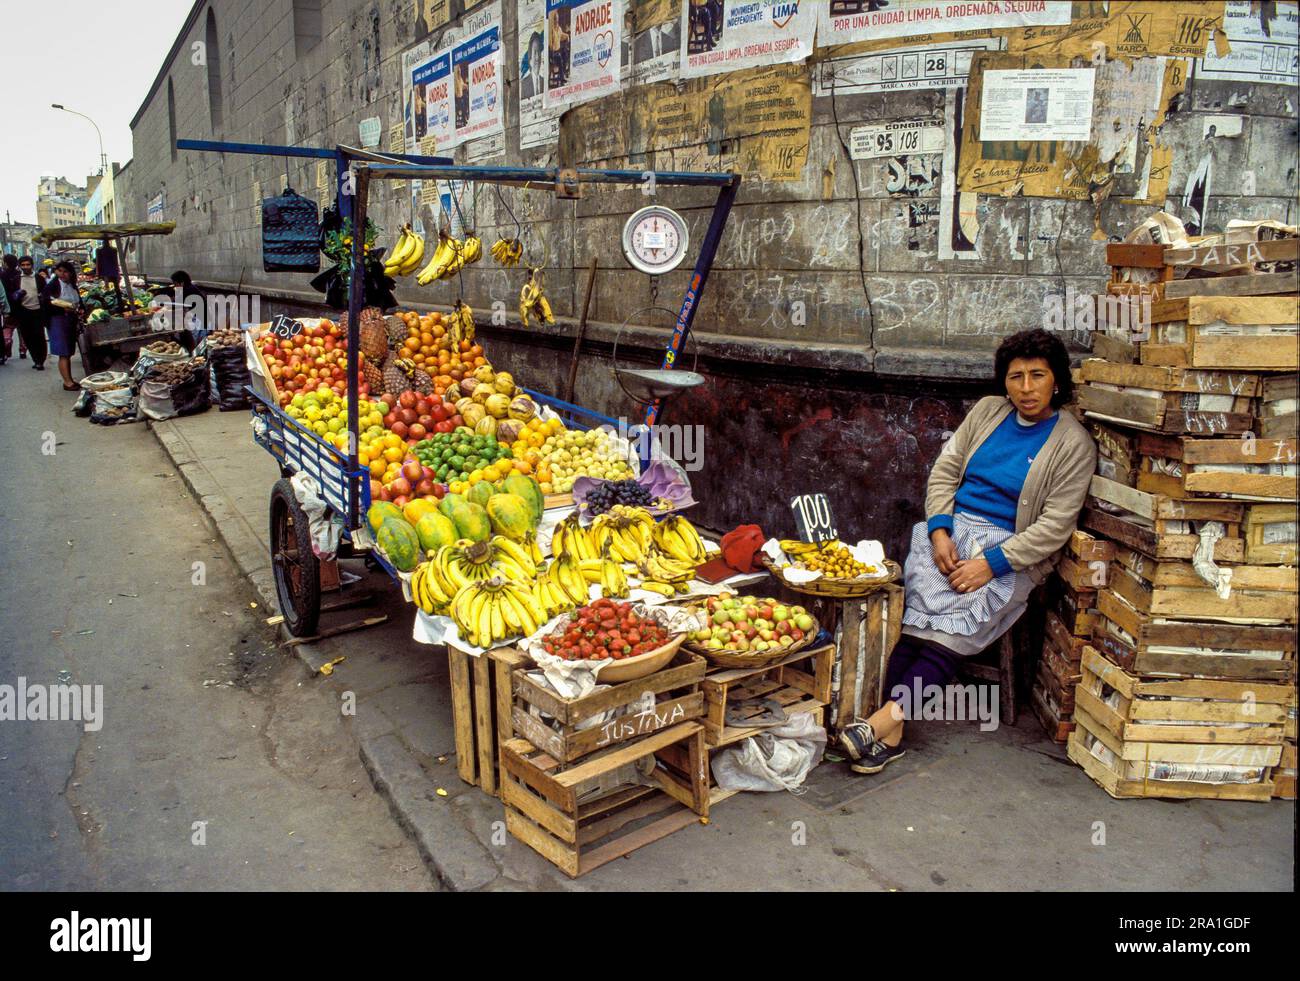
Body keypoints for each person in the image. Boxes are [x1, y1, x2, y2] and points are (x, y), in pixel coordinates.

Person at [839, 329, 1097, 774]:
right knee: (917, 626)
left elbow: (1055, 525)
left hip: (1012, 552)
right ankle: (889, 735)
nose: (1026, 387)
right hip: (952, 536)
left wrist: (991, 564)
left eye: (1038, 375)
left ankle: (880, 722)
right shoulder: (987, 412)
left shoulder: (1073, 444)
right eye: (1016, 377)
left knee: (950, 635)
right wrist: (940, 532)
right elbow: (945, 472)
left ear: (1057, 381)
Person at [43, 261, 83, 390]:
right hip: (58, 321)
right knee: (63, 352)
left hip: (70, 320)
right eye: (60, 271)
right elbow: (46, 303)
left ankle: (69, 379)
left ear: (71, 273)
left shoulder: (71, 285)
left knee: (68, 351)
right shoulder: (53, 285)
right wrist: (62, 310)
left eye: (65, 271)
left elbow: (78, 301)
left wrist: (81, 309)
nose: (62, 274)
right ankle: (67, 382)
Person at [13, 255, 48, 369]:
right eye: (23, 265)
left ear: (32, 265)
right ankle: (36, 359)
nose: (25, 267)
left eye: (28, 264)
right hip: (23, 312)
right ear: (20, 266)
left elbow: (46, 293)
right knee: (28, 337)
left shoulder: (39, 278)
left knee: (39, 336)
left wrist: (42, 296)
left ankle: (41, 360)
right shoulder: (17, 279)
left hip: (38, 311)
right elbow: (12, 296)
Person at [1, 253, 21, 362]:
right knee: (21, 330)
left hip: (8, 307)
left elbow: (2, 295)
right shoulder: (20, 274)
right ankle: (22, 350)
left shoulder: (2, 275)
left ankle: (7, 345)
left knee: (8, 328)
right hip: (21, 305)